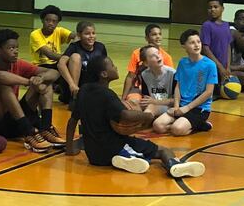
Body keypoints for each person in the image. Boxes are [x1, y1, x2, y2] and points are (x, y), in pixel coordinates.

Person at [65, 55, 205, 178]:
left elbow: (72, 121)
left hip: (93, 155)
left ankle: (125, 158)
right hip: (113, 147)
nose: (116, 67)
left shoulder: (83, 91)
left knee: (131, 147)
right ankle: (173, 164)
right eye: (112, 65)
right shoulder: (107, 95)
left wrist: (70, 147)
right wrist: (146, 116)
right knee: (163, 150)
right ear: (104, 74)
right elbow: (125, 114)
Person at [0, 29, 59, 153]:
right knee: (3, 85)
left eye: (17, 47)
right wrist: (30, 82)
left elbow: (55, 73)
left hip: (14, 120)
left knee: (46, 83)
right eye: (11, 48)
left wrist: (41, 78)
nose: (16, 51)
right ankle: (28, 132)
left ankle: (46, 128)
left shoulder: (18, 63)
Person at [153, 30, 217, 136]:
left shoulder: (210, 65)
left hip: (199, 108)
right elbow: (178, 86)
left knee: (177, 129)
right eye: (192, 42)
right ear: (184, 46)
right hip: (182, 105)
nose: (196, 45)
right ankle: (187, 123)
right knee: (157, 126)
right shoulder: (182, 62)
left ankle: (202, 125)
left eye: (198, 42)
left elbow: (209, 92)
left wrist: (187, 108)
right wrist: (177, 107)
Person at [57, 21, 107, 104]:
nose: (91, 36)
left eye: (93, 33)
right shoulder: (74, 47)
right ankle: (74, 96)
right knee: (75, 57)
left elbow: (106, 67)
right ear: (79, 35)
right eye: (87, 34)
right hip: (73, 86)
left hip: (90, 85)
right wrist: (72, 84)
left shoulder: (100, 47)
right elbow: (61, 64)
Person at [120, 24, 174, 100]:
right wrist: (123, 98)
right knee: (133, 101)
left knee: (152, 106)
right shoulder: (137, 53)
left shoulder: (166, 57)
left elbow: (169, 80)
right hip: (138, 88)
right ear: (147, 38)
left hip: (157, 90)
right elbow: (130, 77)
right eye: (154, 34)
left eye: (160, 34)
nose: (158, 36)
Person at [29, 5, 74, 69]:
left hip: (57, 63)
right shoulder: (35, 34)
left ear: (57, 22)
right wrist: (70, 57)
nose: (50, 23)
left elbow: (76, 36)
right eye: (47, 20)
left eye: (54, 21)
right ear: (42, 20)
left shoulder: (59, 30)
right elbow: (50, 55)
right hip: (41, 65)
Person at [200, 0, 232, 86]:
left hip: (224, 68)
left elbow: (228, 46)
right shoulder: (207, 25)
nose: (212, 9)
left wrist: (228, 66)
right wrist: (220, 67)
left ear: (222, 8)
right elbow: (206, 49)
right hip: (212, 67)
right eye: (210, 7)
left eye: (215, 7)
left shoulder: (226, 25)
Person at [138, 46, 175, 118]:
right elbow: (146, 97)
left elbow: (176, 101)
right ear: (146, 63)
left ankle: (143, 125)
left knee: (151, 108)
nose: (158, 56)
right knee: (134, 103)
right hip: (153, 103)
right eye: (153, 56)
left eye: (158, 53)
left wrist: (155, 102)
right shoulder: (144, 74)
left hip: (169, 106)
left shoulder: (173, 74)